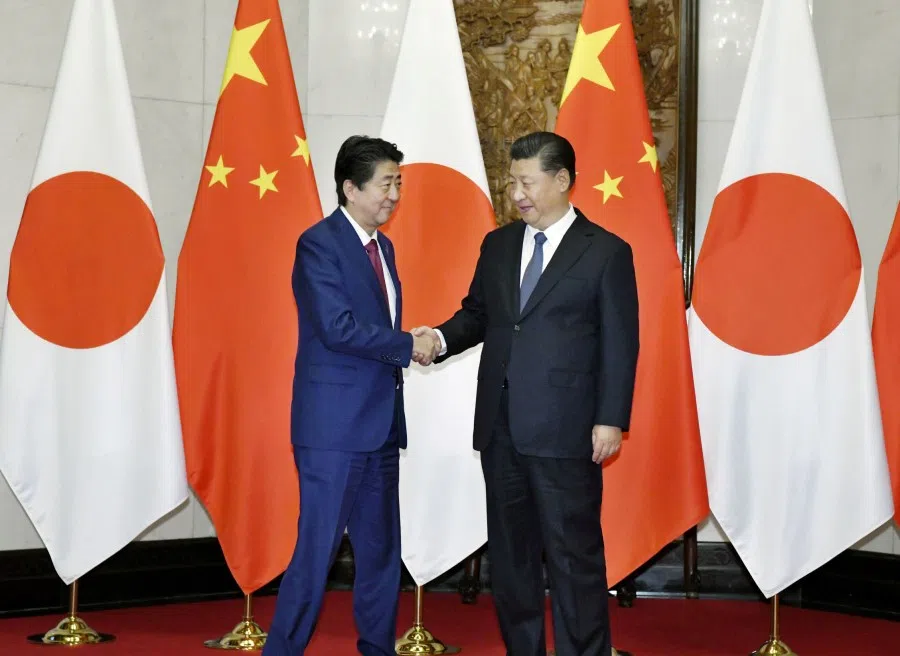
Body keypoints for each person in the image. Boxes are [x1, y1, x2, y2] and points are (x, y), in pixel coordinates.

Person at [414, 131, 640, 656]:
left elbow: (620, 342)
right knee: (512, 561)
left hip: (566, 430)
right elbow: (478, 314)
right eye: (511, 181)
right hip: (500, 426)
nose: (516, 193)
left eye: (527, 182)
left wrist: (611, 418)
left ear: (562, 181)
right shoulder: (498, 245)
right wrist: (440, 338)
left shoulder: (606, 252)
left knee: (573, 559)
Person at [264, 135, 436, 656]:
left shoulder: (384, 247)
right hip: (333, 432)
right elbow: (338, 328)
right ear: (350, 187)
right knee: (316, 554)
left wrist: (410, 344)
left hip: (380, 427)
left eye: (398, 184)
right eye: (387, 183)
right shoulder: (318, 243)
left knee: (382, 555)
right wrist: (411, 344)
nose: (394, 195)